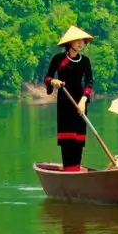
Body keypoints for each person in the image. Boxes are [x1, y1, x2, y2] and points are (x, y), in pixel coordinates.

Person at [43, 27, 96, 170]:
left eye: (82, 41)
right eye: (77, 41)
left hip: (80, 103)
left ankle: (76, 169)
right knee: (67, 139)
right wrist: (53, 82)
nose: (81, 43)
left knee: (78, 140)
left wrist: (83, 101)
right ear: (69, 42)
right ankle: (68, 169)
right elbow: (47, 78)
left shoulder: (85, 61)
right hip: (65, 102)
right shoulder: (59, 59)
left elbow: (89, 83)